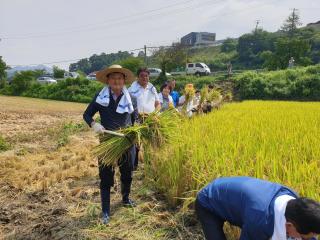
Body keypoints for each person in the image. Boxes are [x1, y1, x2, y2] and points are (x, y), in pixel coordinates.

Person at [83, 64, 137, 225]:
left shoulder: (131, 98)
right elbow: (86, 114)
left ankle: (125, 198)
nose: (116, 80)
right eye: (113, 77)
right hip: (107, 142)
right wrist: (94, 124)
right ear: (108, 80)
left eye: (119, 78)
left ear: (124, 80)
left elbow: (136, 118)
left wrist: (136, 131)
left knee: (127, 174)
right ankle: (106, 210)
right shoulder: (100, 98)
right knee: (106, 177)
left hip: (127, 142)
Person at [195, 176, 320, 240]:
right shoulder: (259, 222)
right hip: (209, 202)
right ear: (289, 226)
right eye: (302, 237)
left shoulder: (297, 204)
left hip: (238, 201)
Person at [128, 67, 160, 170]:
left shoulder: (152, 88)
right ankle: (134, 165)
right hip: (137, 118)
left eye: (146, 76)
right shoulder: (132, 89)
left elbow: (158, 103)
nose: (144, 78)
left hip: (151, 118)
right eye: (142, 76)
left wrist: (155, 113)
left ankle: (150, 165)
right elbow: (129, 106)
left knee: (151, 142)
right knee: (136, 142)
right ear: (137, 77)